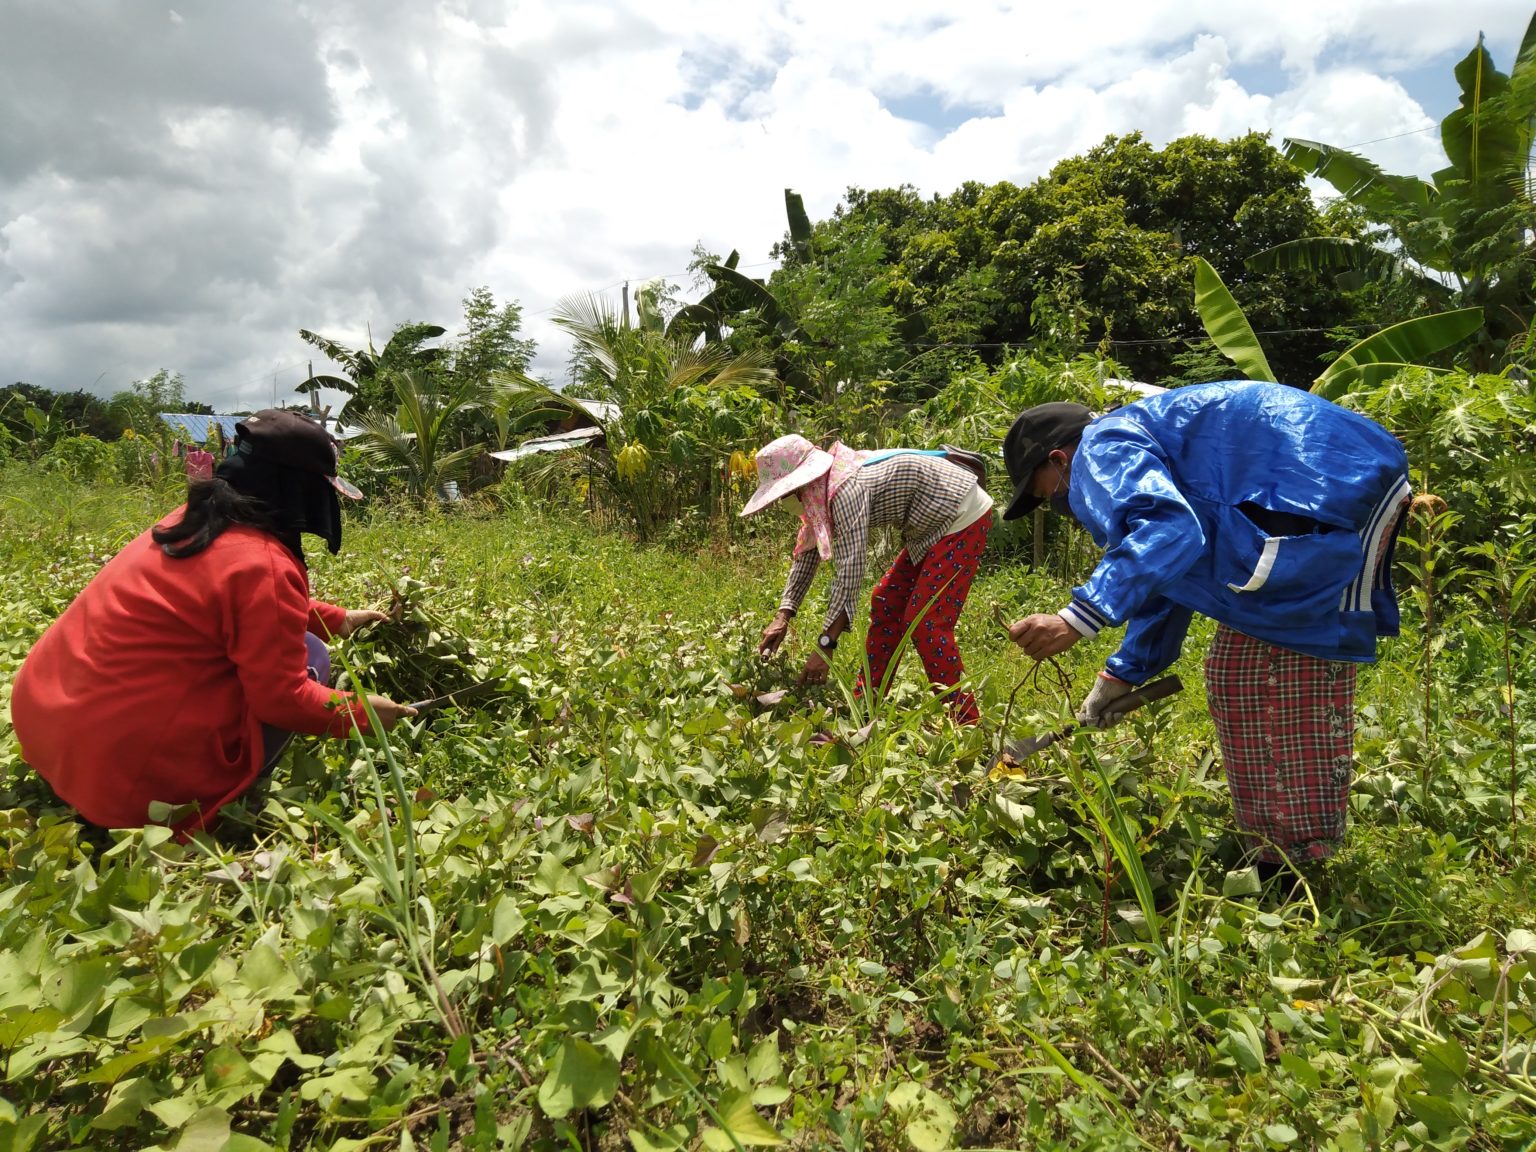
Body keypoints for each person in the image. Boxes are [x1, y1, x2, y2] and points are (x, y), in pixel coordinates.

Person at [1001, 381, 1411, 878]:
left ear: (1058, 458)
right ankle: (1282, 846)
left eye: (1039, 488)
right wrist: (1122, 675)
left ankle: (1287, 860)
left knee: (1260, 678)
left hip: (1320, 493)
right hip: (1338, 482)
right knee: (1260, 672)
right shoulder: (1138, 434)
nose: (1048, 501)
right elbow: (1174, 575)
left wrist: (1077, 618)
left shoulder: (1101, 448)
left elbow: (1168, 531)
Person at [11, 409, 416, 834]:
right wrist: (361, 713)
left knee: (305, 644)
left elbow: (234, 602)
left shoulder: (190, 522)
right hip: (124, 784)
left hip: (48, 728)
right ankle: (221, 804)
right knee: (312, 660)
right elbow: (282, 699)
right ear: (297, 489)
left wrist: (338, 618)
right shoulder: (263, 563)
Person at [743, 434, 993, 724]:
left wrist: (825, 646)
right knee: (886, 601)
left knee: (926, 622)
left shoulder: (847, 489)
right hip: (930, 528)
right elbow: (808, 553)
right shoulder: (822, 494)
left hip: (962, 515)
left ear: (801, 483)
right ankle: (866, 704)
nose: (784, 502)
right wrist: (783, 615)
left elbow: (849, 570)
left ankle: (967, 721)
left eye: (784, 494)